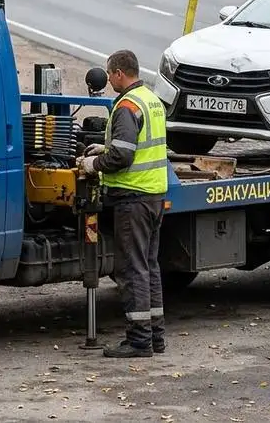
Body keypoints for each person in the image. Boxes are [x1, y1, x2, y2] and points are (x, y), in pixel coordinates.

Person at [78, 49, 169, 358]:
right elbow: (138, 144)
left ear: (118, 73)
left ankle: (139, 340)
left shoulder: (127, 105)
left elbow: (123, 156)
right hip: (154, 195)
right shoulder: (151, 99)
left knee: (132, 270)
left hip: (133, 197)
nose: (110, 80)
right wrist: (106, 145)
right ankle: (156, 336)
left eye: (110, 74)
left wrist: (93, 164)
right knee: (149, 267)